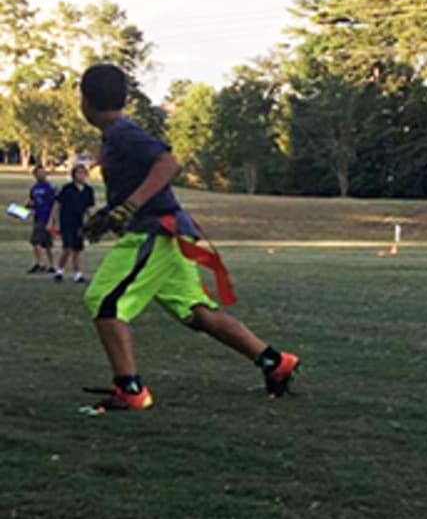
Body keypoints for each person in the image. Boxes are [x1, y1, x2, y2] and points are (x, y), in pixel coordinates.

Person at [77, 63, 301, 414]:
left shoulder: (122, 132)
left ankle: (130, 390)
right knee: (197, 313)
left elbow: (168, 163)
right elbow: (139, 182)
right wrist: (110, 215)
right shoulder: (116, 134)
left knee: (105, 301)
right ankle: (275, 362)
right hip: (167, 232)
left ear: (85, 100)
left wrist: (130, 206)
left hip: (157, 232)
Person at [52, 163, 95, 283]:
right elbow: (57, 204)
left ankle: (77, 274)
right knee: (68, 248)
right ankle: (59, 271)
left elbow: (90, 208)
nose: (80, 175)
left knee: (77, 249)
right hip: (66, 221)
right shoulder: (67, 188)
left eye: (83, 173)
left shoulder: (88, 190)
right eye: (78, 173)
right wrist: (52, 220)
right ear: (73, 175)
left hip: (79, 223)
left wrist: (95, 221)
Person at [27, 165, 56, 274]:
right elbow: (34, 202)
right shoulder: (34, 188)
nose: (40, 175)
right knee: (46, 243)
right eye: (38, 173)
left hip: (46, 217)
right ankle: (51, 266)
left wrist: (51, 219)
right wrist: (30, 205)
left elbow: (54, 204)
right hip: (38, 216)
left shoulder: (49, 187)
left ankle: (41, 264)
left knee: (36, 241)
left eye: (42, 172)